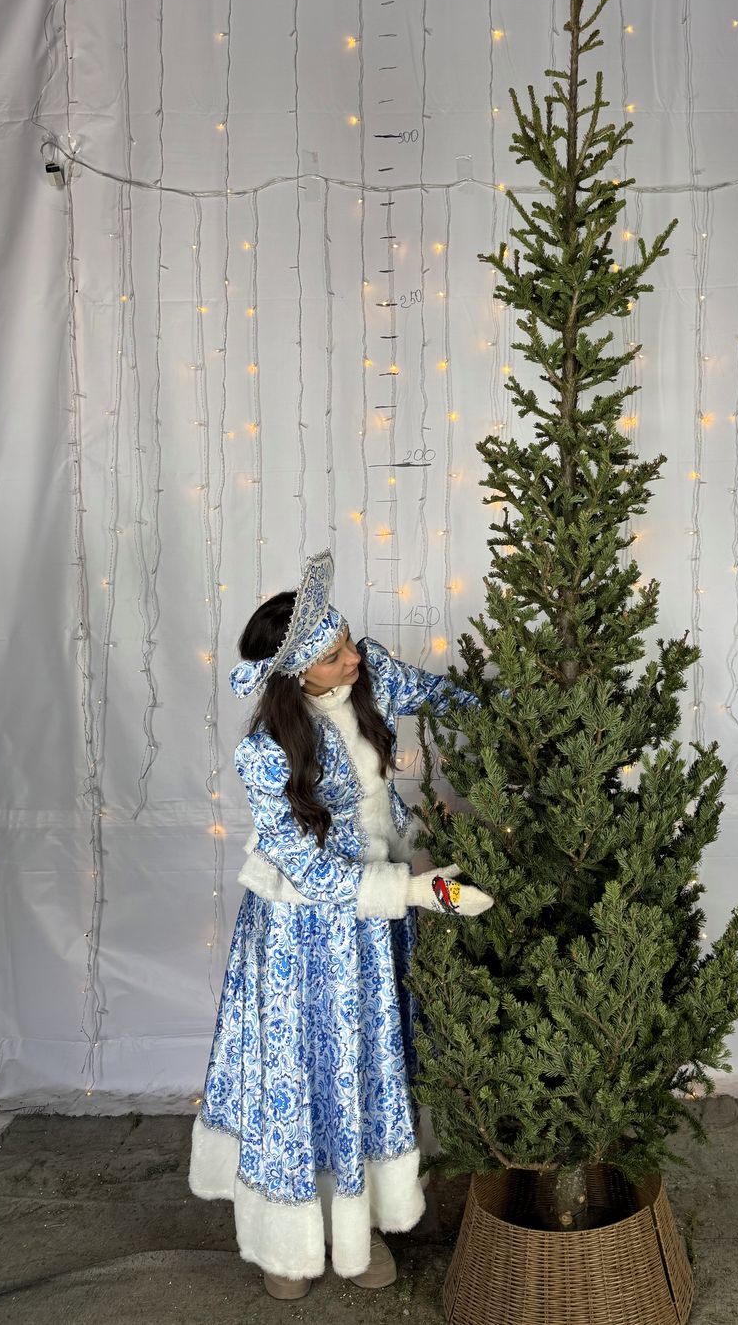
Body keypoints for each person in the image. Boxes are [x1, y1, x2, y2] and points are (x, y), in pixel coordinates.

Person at [187, 547, 494, 1299]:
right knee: (300, 1073)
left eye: (348, 640)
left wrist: (522, 705)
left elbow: (448, 697)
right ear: (297, 675)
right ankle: (285, 1240)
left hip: (372, 929)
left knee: (364, 1064)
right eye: (332, 656)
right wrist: (415, 891)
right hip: (301, 936)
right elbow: (307, 868)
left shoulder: (370, 677)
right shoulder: (265, 754)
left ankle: (363, 1227)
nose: (353, 658)